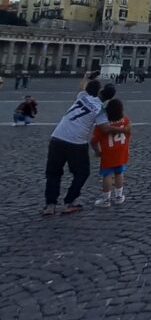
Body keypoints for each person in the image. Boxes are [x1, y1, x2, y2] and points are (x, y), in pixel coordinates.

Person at [43, 76, 129, 216]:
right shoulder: (100, 110)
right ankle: (69, 202)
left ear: (100, 91)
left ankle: (50, 205)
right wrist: (122, 129)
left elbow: (83, 86)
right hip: (76, 143)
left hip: (57, 137)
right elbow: (105, 128)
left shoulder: (82, 96)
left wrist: (87, 76)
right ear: (109, 98)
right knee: (82, 173)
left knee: (53, 173)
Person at [91, 97, 131, 207]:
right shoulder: (125, 120)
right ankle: (119, 197)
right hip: (121, 151)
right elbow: (128, 134)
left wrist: (97, 151)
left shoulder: (103, 124)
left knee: (107, 175)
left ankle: (106, 200)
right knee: (119, 173)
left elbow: (93, 140)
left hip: (108, 152)